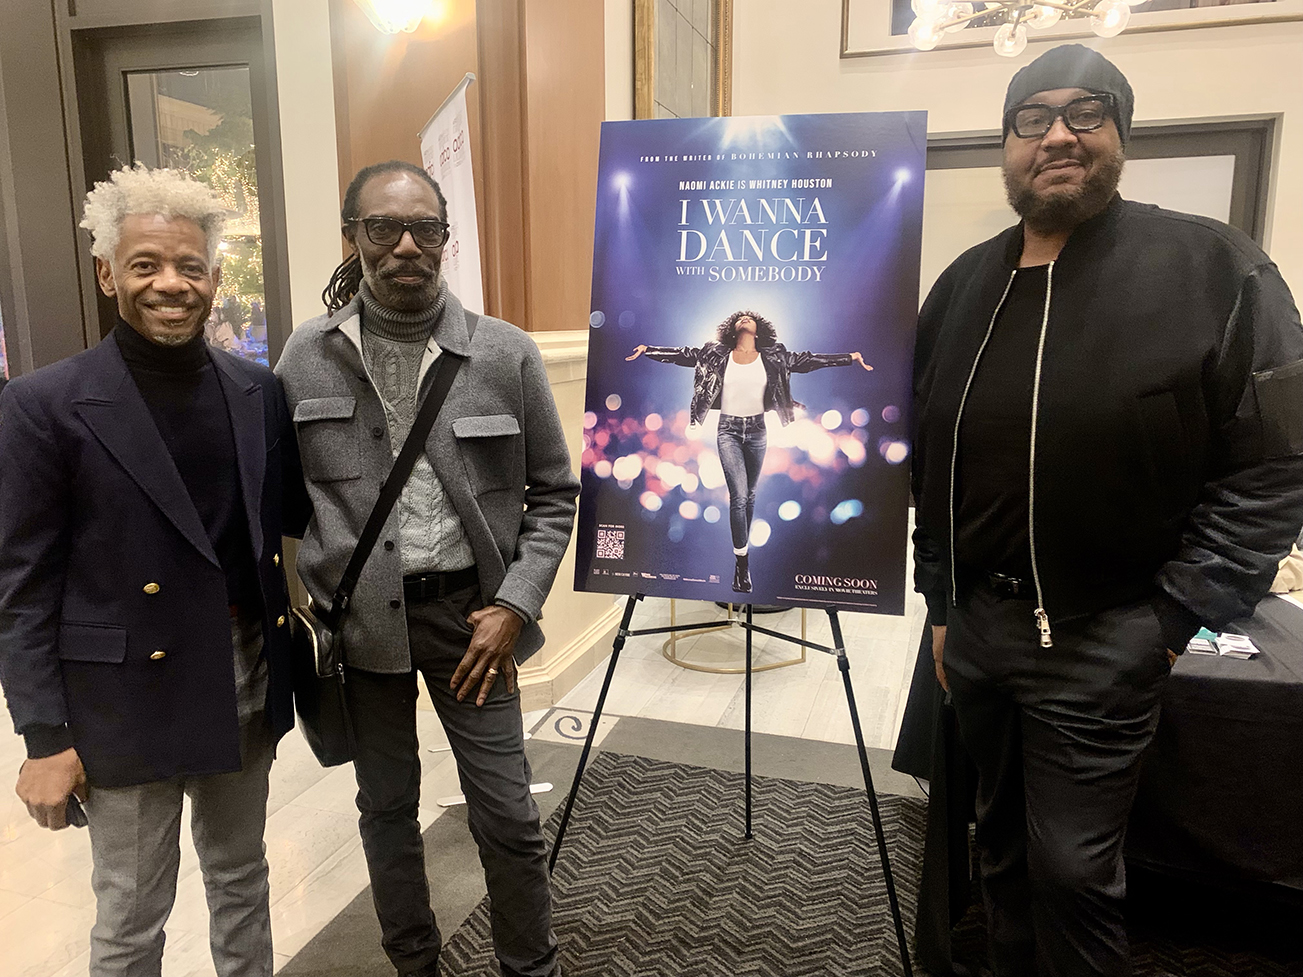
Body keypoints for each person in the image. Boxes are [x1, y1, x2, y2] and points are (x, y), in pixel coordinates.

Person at [911, 45, 1303, 977]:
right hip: (978, 630)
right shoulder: (962, 285)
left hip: (1107, 633)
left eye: (1085, 113)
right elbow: (932, 462)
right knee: (995, 851)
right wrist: (938, 601)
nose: (1055, 135)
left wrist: (1173, 615)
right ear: (1005, 146)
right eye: (1030, 118)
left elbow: (1277, 463)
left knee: (1072, 873)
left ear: (1119, 134)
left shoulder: (1217, 269)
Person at [0, 164, 310, 977]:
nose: (169, 283)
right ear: (108, 273)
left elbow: (281, 531)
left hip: (241, 674)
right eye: (145, 265)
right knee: (133, 912)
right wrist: (44, 737)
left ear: (213, 277)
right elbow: (22, 587)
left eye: (189, 266)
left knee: (243, 878)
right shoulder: (44, 404)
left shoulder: (256, 390)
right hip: (122, 702)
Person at [276, 160, 577, 977]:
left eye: (426, 229)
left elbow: (555, 494)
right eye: (384, 227)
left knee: (508, 815)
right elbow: (276, 502)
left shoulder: (504, 354)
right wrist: (309, 609)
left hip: (474, 622)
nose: (406, 245)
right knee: (386, 810)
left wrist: (514, 604)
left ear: (446, 238)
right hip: (364, 627)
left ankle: (530, 966)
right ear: (355, 236)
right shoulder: (305, 358)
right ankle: (415, 965)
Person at [627, 310, 872, 592]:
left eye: (749, 316)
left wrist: (849, 358)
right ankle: (741, 566)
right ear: (731, 327)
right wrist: (649, 351)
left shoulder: (775, 354)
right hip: (727, 430)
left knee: (751, 495)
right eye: (739, 316)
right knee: (739, 496)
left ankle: (744, 558)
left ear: (758, 329)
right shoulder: (715, 352)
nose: (743, 316)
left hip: (758, 430)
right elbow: (684, 355)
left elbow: (808, 361)